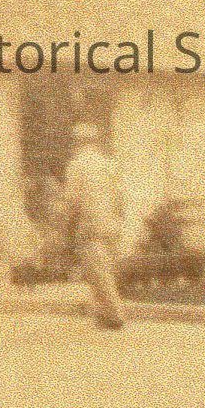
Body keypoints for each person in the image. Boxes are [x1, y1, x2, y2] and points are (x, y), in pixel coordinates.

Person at [63, 122, 125, 330]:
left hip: (90, 224)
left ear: (77, 142)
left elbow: (73, 201)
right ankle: (102, 314)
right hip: (112, 223)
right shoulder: (109, 164)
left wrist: (67, 227)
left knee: (98, 271)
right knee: (105, 268)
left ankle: (114, 314)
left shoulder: (76, 166)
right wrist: (118, 220)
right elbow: (120, 198)